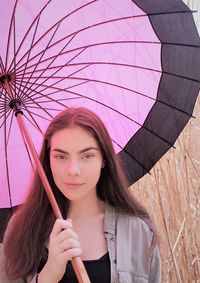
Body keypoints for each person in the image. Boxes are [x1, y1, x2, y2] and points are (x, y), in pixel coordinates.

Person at [2, 107, 161, 283]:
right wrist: (49, 274)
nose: (73, 170)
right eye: (61, 157)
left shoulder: (136, 231)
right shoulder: (21, 229)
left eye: (87, 155)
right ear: (48, 160)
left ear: (104, 160)